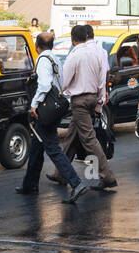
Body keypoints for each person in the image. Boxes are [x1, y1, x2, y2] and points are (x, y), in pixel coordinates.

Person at [16, 30, 86, 202]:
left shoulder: (42, 60)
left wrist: (34, 105)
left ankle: (76, 183)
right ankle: (30, 184)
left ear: (36, 46)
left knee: (52, 148)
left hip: (45, 109)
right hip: (54, 108)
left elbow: (45, 85)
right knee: (36, 146)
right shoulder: (55, 58)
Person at [57, 23, 117, 191]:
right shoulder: (98, 54)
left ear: (73, 39)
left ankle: (108, 176)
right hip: (92, 99)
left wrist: (62, 92)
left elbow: (65, 81)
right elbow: (101, 82)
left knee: (89, 139)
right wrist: (99, 104)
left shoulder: (74, 56)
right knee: (71, 135)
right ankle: (60, 172)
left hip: (80, 102)